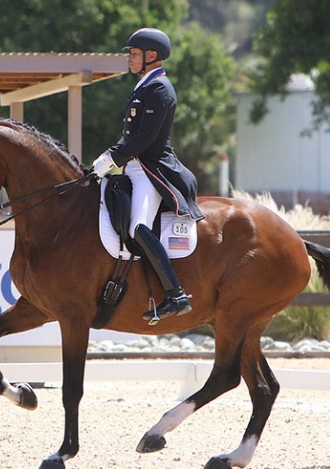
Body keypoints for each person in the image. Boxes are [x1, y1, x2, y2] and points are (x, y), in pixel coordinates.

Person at [92, 28, 205, 323]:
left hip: (151, 171)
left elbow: (144, 138)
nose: (129, 58)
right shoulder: (145, 85)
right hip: (134, 168)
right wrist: (110, 157)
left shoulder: (160, 89)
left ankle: (175, 294)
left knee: (137, 228)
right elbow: (131, 136)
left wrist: (113, 157)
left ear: (151, 56)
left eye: (134, 53)